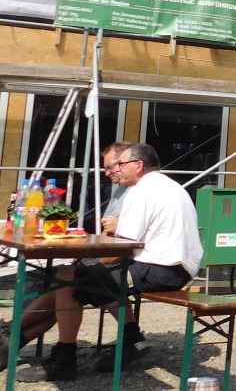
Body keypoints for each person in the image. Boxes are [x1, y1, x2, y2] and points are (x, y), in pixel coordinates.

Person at [34, 143, 202, 380]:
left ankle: (64, 359)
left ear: (138, 165)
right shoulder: (166, 185)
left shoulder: (142, 191)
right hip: (173, 267)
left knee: (69, 278)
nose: (115, 170)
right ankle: (129, 338)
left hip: (161, 269)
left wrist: (85, 261)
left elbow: (122, 246)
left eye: (120, 164)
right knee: (83, 275)